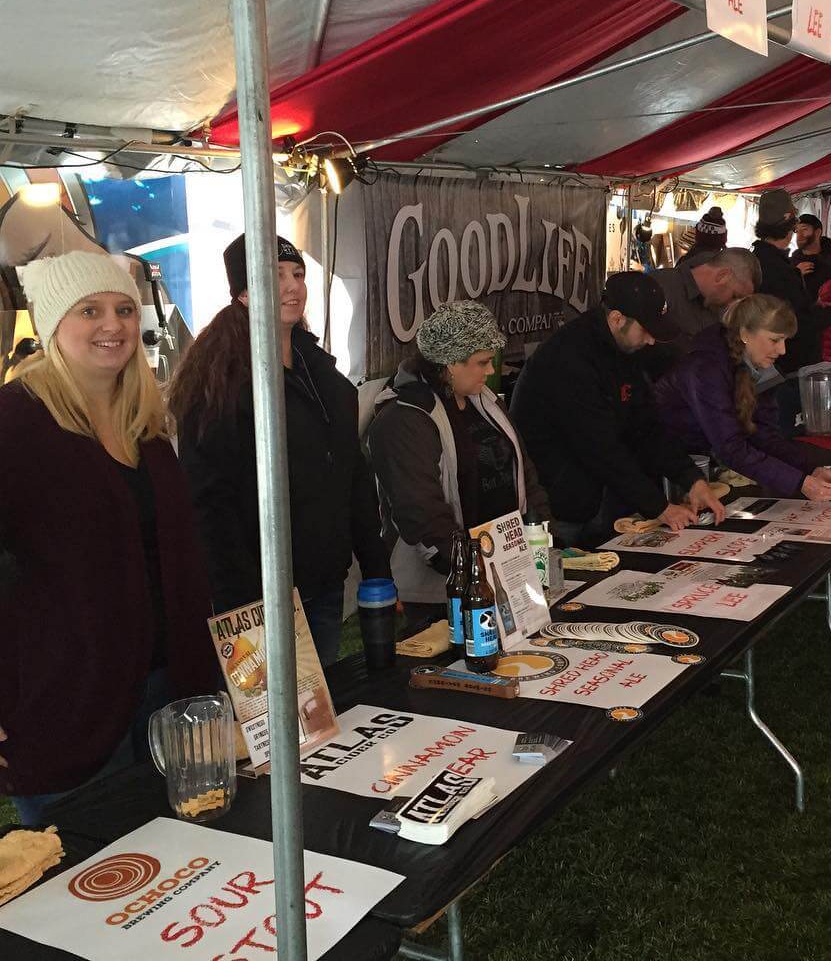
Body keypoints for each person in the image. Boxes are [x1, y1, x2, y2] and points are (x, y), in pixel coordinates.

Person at [0, 251, 217, 825]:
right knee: (79, 885)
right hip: (67, 699)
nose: (113, 325)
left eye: (124, 309)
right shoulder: (15, 424)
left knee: (176, 869)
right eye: (89, 310)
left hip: (167, 693)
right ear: (52, 326)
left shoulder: (145, 425)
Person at [170, 235, 389, 670]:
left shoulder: (321, 372)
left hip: (324, 583)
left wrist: (376, 565)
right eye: (276, 276)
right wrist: (242, 604)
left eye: (298, 274)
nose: (293, 286)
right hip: (261, 598)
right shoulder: (219, 383)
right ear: (245, 292)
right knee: (275, 728)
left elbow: (352, 474)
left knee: (322, 723)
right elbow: (209, 505)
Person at [510, 272, 726, 548]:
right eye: (646, 330)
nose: (651, 341)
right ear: (616, 319)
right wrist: (659, 507)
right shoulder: (568, 360)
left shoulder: (625, 349)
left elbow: (647, 427)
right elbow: (599, 447)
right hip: (560, 506)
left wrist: (691, 479)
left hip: (602, 495)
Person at [368, 301, 550, 623]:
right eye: (482, 362)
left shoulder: (486, 402)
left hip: (507, 572)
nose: (492, 371)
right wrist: (477, 571)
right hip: (440, 595)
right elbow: (421, 514)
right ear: (451, 363)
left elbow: (523, 470)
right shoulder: (403, 421)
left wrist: (540, 537)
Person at [656, 295, 831, 500]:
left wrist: (809, 470)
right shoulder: (705, 367)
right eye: (774, 340)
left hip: (699, 462)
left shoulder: (757, 364)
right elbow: (731, 446)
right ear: (745, 334)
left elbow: (765, 434)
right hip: (668, 467)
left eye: (784, 340)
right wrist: (799, 482)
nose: (782, 350)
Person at [751, 188, 831, 433]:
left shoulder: (762, 260)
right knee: (786, 436)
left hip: (776, 369)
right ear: (790, 225)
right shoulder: (778, 268)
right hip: (786, 371)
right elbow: (793, 322)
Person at [647, 246, 760, 369]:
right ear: (722, 276)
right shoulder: (659, 287)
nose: (731, 305)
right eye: (734, 296)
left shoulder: (718, 313)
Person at [792, 214, 831, 303]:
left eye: (804, 229)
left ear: (817, 232)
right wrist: (795, 275)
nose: (799, 236)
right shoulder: (792, 261)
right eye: (797, 231)